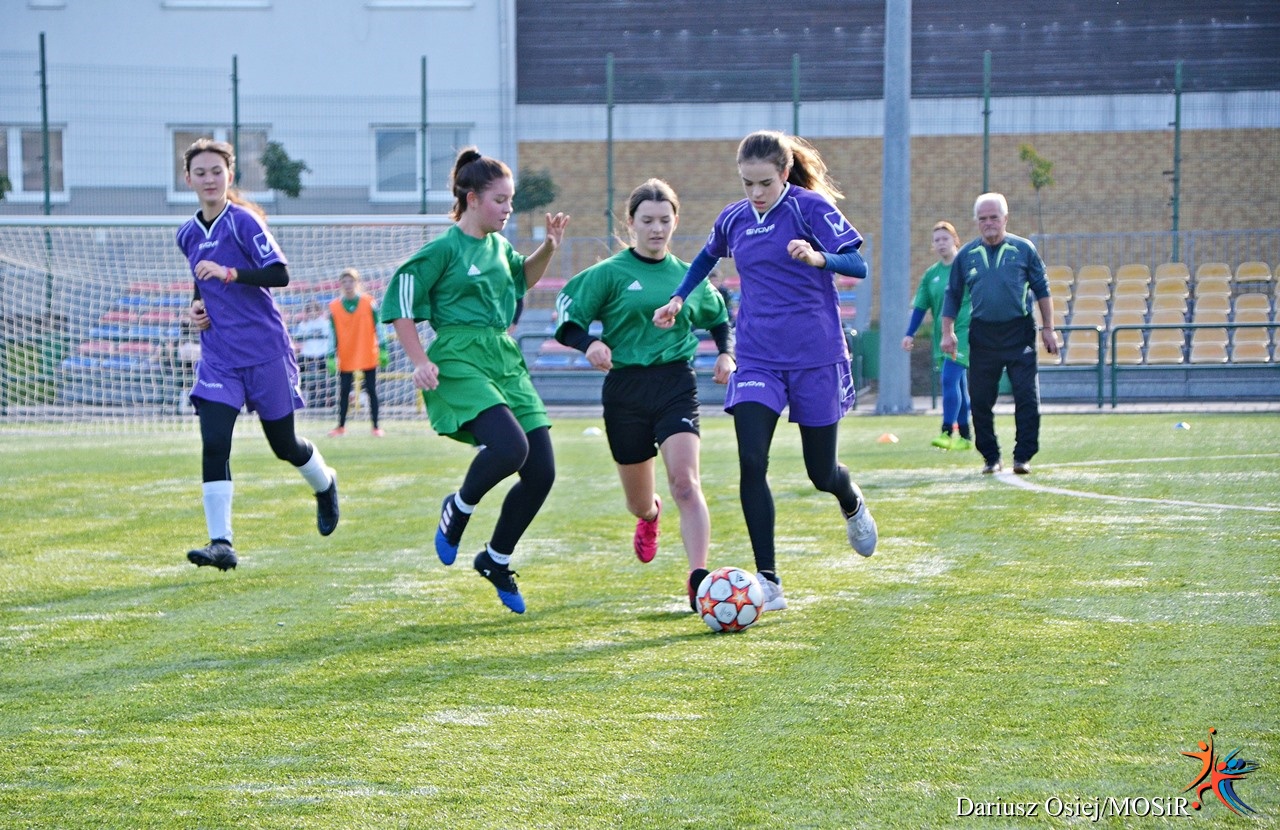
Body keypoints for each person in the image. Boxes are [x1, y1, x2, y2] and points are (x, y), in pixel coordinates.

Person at [653, 130, 878, 612]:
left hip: (815, 354)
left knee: (821, 471)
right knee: (752, 461)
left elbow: (858, 264)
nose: (755, 193)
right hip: (757, 357)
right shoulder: (733, 218)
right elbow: (705, 258)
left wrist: (819, 257)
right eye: (747, 183)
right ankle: (769, 580)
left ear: (784, 173)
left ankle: (850, 500)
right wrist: (678, 298)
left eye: (764, 183)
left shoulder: (809, 208)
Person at [381, 147, 570, 614]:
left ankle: (496, 559)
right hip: (458, 357)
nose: (508, 209)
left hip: (502, 356)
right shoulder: (444, 249)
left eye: (510, 200)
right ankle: (459, 507)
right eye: (500, 200)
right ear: (471, 199)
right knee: (510, 448)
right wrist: (419, 360)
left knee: (542, 473)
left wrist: (548, 247)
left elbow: (521, 280)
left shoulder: (500, 247)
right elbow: (400, 300)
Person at [555, 179, 734, 610]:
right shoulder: (608, 273)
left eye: (664, 220)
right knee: (638, 502)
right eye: (648, 220)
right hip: (625, 389)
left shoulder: (688, 277)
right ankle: (650, 516)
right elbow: (568, 315)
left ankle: (698, 579)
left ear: (675, 221)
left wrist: (726, 354)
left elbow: (719, 317)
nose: (657, 229)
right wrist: (589, 344)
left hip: (675, 383)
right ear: (631, 222)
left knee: (685, 484)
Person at [176, 138, 339, 572]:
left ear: (230, 175)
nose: (209, 179)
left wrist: (229, 273)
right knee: (214, 443)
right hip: (219, 357)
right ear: (188, 179)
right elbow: (200, 281)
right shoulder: (187, 234)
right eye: (200, 172)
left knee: (284, 445)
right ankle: (221, 543)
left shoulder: (243, 222)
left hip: (266, 352)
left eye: (217, 171)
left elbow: (279, 274)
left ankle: (325, 484)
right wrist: (197, 306)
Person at [941, 192, 1058, 475]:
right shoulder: (966, 255)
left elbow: (1042, 290)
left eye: (994, 217)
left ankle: (1023, 456)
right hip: (983, 334)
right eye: (983, 218)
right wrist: (947, 332)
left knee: (1026, 396)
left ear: (1005, 218)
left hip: (1019, 332)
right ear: (976, 222)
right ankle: (991, 457)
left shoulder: (1023, 249)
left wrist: (1049, 329)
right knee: (980, 399)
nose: (989, 223)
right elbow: (953, 294)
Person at [902, 220, 973, 451]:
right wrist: (910, 334)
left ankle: (946, 432)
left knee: (949, 379)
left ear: (955, 240)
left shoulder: (966, 269)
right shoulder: (931, 274)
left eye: (945, 238)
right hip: (942, 336)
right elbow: (920, 306)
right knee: (959, 384)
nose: (941, 243)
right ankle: (965, 437)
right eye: (937, 240)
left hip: (963, 333)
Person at [327, 267, 385, 437]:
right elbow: (332, 333)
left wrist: (384, 348)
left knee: (371, 389)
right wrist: (330, 356)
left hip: (367, 351)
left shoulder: (369, 302)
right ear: (340, 284)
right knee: (344, 390)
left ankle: (376, 427)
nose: (348, 284)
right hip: (346, 354)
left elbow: (379, 326)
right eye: (344, 281)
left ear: (357, 283)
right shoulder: (334, 307)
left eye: (351, 281)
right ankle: (340, 426)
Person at [292, 300, 333, 411]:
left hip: (322, 354)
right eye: (309, 310)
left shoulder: (325, 324)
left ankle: (324, 400)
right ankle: (299, 397)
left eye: (314, 310)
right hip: (307, 354)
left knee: (325, 377)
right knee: (297, 372)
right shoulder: (303, 325)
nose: (312, 313)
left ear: (319, 311)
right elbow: (297, 340)